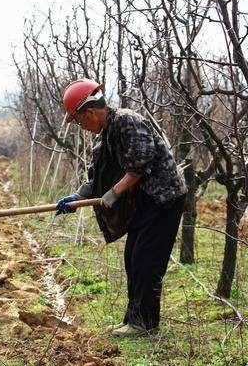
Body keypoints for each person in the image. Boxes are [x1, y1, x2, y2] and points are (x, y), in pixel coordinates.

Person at [55, 79, 187, 337]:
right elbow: (98, 176)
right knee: (133, 258)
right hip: (145, 201)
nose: (82, 126)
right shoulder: (105, 134)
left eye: (80, 121)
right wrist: (77, 196)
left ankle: (144, 324)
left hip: (164, 199)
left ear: (90, 112)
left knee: (146, 260)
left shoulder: (128, 122)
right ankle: (133, 319)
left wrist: (113, 194)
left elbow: (139, 166)